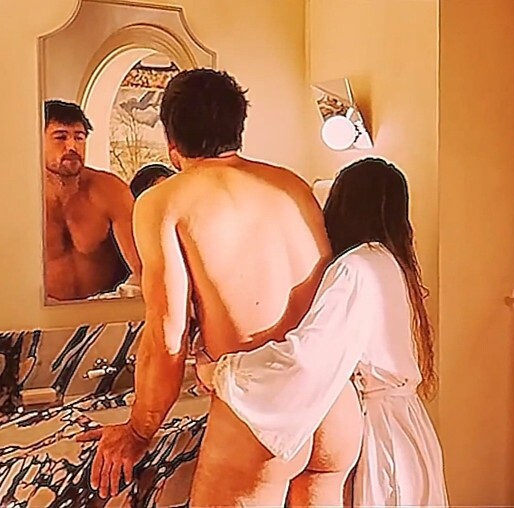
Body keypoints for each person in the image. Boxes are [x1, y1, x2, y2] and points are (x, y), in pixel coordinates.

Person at [75, 69, 363, 506]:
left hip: (258, 410)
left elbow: (165, 339)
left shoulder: (164, 202)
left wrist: (138, 430)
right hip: (332, 404)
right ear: (237, 127)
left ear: (170, 139)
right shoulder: (292, 185)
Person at [211, 157, 449, 507]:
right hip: (409, 432)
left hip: (384, 441)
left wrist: (226, 372)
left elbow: (309, 357)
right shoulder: (389, 262)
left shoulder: (356, 268)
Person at [42, 100, 140, 301]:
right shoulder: (20, 197)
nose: (72, 146)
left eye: (79, 137)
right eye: (60, 137)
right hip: (38, 312)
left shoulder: (109, 189)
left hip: (102, 310)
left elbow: (142, 267)